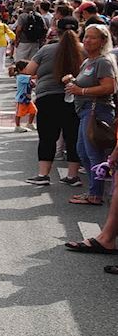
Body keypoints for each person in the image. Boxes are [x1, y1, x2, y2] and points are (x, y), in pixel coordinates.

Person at [21, 18, 83, 186]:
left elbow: (29, 71)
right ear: (78, 30)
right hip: (75, 98)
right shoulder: (83, 50)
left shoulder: (46, 50)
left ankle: (43, 175)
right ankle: (72, 176)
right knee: (73, 137)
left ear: (57, 30)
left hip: (47, 98)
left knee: (47, 137)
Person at [62, 25, 115, 206]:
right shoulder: (88, 61)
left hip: (96, 111)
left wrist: (81, 90)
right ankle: (94, 190)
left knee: (93, 153)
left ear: (103, 41)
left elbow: (109, 87)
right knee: (83, 152)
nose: (87, 40)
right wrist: (72, 81)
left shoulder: (103, 62)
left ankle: (95, 194)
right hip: (86, 110)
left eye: (93, 37)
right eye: (86, 36)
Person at [11, 60, 37, 134]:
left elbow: (32, 84)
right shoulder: (20, 77)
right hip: (21, 98)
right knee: (19, 113)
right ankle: (17, 126)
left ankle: (30, 124)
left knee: (33, 111)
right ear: (20, 69)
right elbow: (33, 77)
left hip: (28, 98)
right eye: (27, 68)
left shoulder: (25, 77)